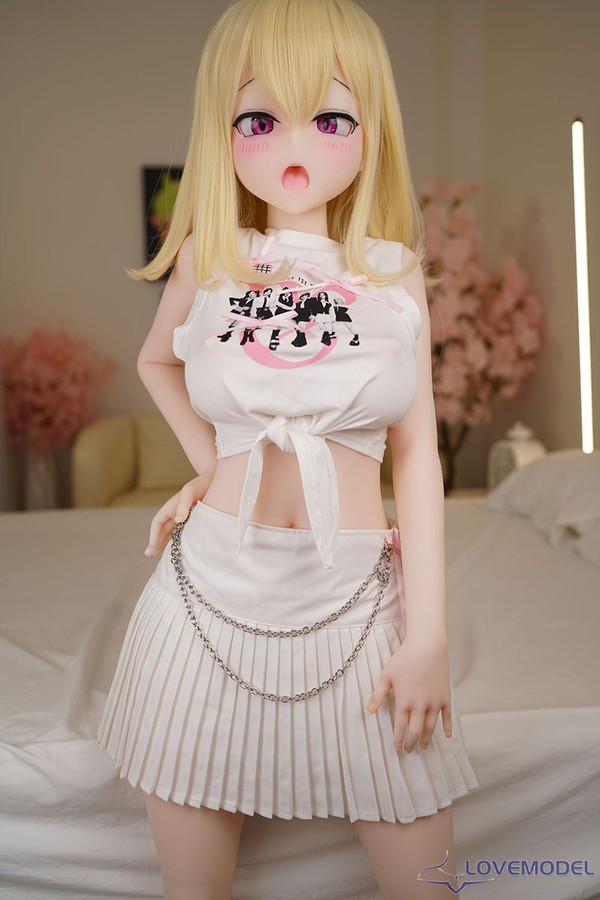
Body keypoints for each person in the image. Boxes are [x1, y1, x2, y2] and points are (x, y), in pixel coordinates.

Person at [96, 0, 479, 897]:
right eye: (260, 120)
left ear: (371, 132)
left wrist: (428, 632)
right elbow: (155, 360)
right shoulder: (211, 256)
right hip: (202, 609)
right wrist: (212, 466)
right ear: (222, 132)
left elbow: (416, 453)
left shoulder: (392, 270)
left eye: (332, 118)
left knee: (428, 884)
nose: (295, 147)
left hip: (359, 608)